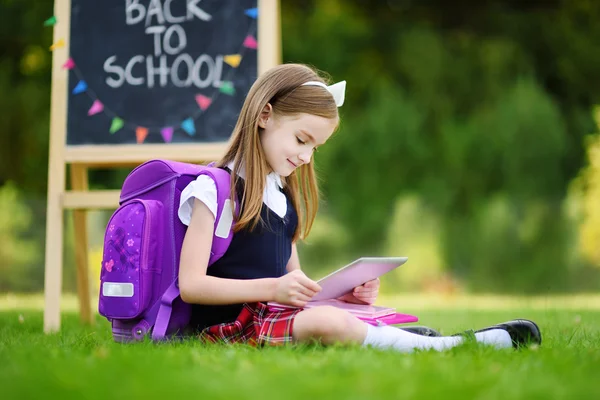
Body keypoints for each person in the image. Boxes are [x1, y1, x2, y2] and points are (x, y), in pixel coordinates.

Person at [177, 63, 542, 352]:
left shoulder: (282, 199)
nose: (305, 157)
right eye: (301, 140)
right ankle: (446, 347)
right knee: (328, 324)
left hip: (273, 315)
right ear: (264, 116)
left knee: (334, 314)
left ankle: (406, 339)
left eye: (314, 148)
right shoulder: (215, 190)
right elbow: (192, 285)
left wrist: (340, 294)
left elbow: (296, 288)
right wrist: (273, 289)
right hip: (230, 326)